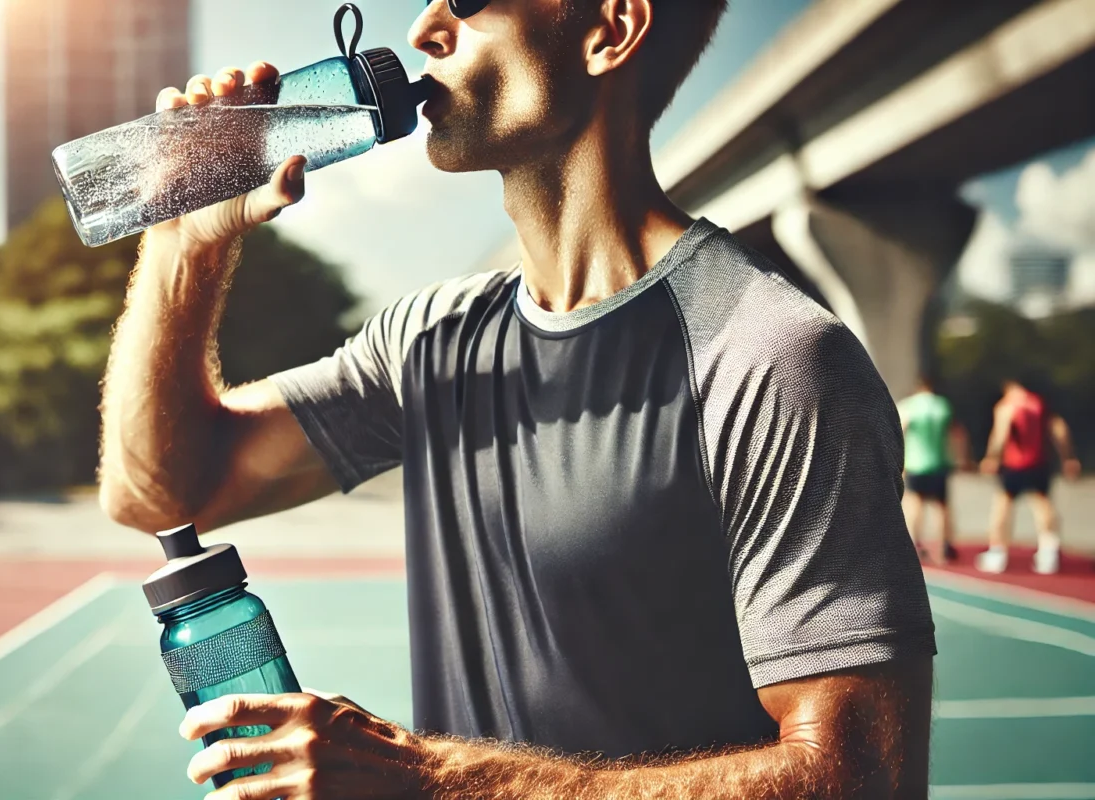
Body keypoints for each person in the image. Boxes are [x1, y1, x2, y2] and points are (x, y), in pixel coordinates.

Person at [98, 1, 936, 797]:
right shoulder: (429, 341)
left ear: (610, 29)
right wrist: (184, 243)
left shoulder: (770, 357)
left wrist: (434, 783)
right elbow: (161, 492)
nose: (425, 27)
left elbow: (862, 776)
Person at [977, 379, 1081, 575]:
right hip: (1038, 464)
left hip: (1014, 465)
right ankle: (1048, 554)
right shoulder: (1039, 403)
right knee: (1043, 506)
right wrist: (1068, 457)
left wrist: (992, 457)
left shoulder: (1007, 406)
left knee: (1002, 508)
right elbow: (1059, 429)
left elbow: (1000, 433)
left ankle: (997, 554)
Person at [897, 376, 970, 564]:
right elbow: (956, 432)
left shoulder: (909, 406)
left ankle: (913, 544)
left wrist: (898, 460)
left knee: (916, 503)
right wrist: (961, 457)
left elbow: (900, 431)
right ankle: (945, 547)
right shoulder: (942, 405)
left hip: (916, 464)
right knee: (942, 506)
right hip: (939, 463)